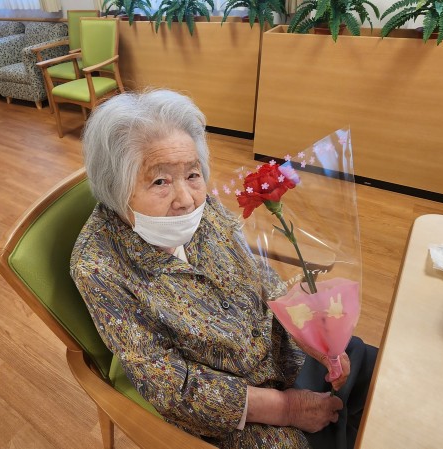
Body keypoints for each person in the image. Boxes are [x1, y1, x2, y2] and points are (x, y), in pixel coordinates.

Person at [71, 89, 377, 449]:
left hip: (285, 349)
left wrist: (309, 334)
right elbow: (167, 384)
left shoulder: (202, 206)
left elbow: (258, 273)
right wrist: (286, 408)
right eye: (160, 181)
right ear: (115, 188)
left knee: (380, 381)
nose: (187, 200)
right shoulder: (98, 266)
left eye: (192, 174)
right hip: (237, 405)